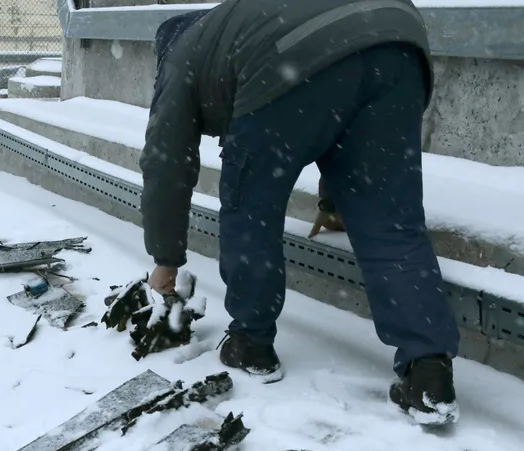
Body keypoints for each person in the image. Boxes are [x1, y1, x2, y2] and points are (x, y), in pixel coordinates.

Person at [139, 0, 461, 426]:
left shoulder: (180, 58)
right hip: (396, 39)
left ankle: (251, 343)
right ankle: (429, 373)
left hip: (288, 57)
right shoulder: (232, 28)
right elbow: (343, 108)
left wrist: (165, 262)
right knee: (391, 223)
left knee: (250, 207)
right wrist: (334, 203)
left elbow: (166, 164)